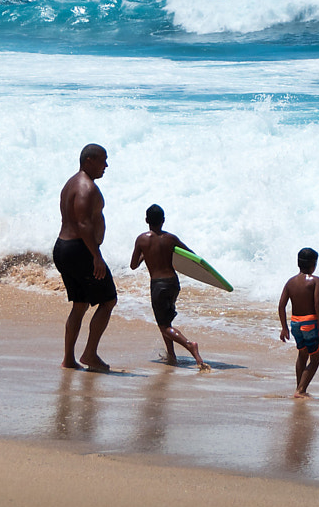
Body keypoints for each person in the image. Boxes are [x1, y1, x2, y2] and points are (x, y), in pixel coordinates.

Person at [55, 144, 116, 372]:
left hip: (64, 247)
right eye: (103, 160)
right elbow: (83, 223)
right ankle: (90, 354)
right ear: (89, 160)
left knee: (80, 304)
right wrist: (96, 256)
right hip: (80, 251)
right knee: (108, 300)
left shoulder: (71, 183)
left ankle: (69, 359)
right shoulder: (86, 188)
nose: (106, 165)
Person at [129, 204, 210, 371]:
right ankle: (171, 355)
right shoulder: (171, 238)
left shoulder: (142, 240)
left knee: (164, 326)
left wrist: (145, 253)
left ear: (146, 220)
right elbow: (192, 256)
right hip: (173, 283)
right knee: (166, 321)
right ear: (163, 220)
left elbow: (133, 265)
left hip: (158, 285)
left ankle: (190, 346)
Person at [278, 247, 319, 398]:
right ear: (314, 264)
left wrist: (284, 328)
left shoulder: (290, 282)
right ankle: (300, 391)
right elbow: (318, 304)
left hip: (295, 324)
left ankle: (299, 388)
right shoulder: (316, 281)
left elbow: (281, 306)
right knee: (316, 358)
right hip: (311, 323)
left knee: (302, 354)